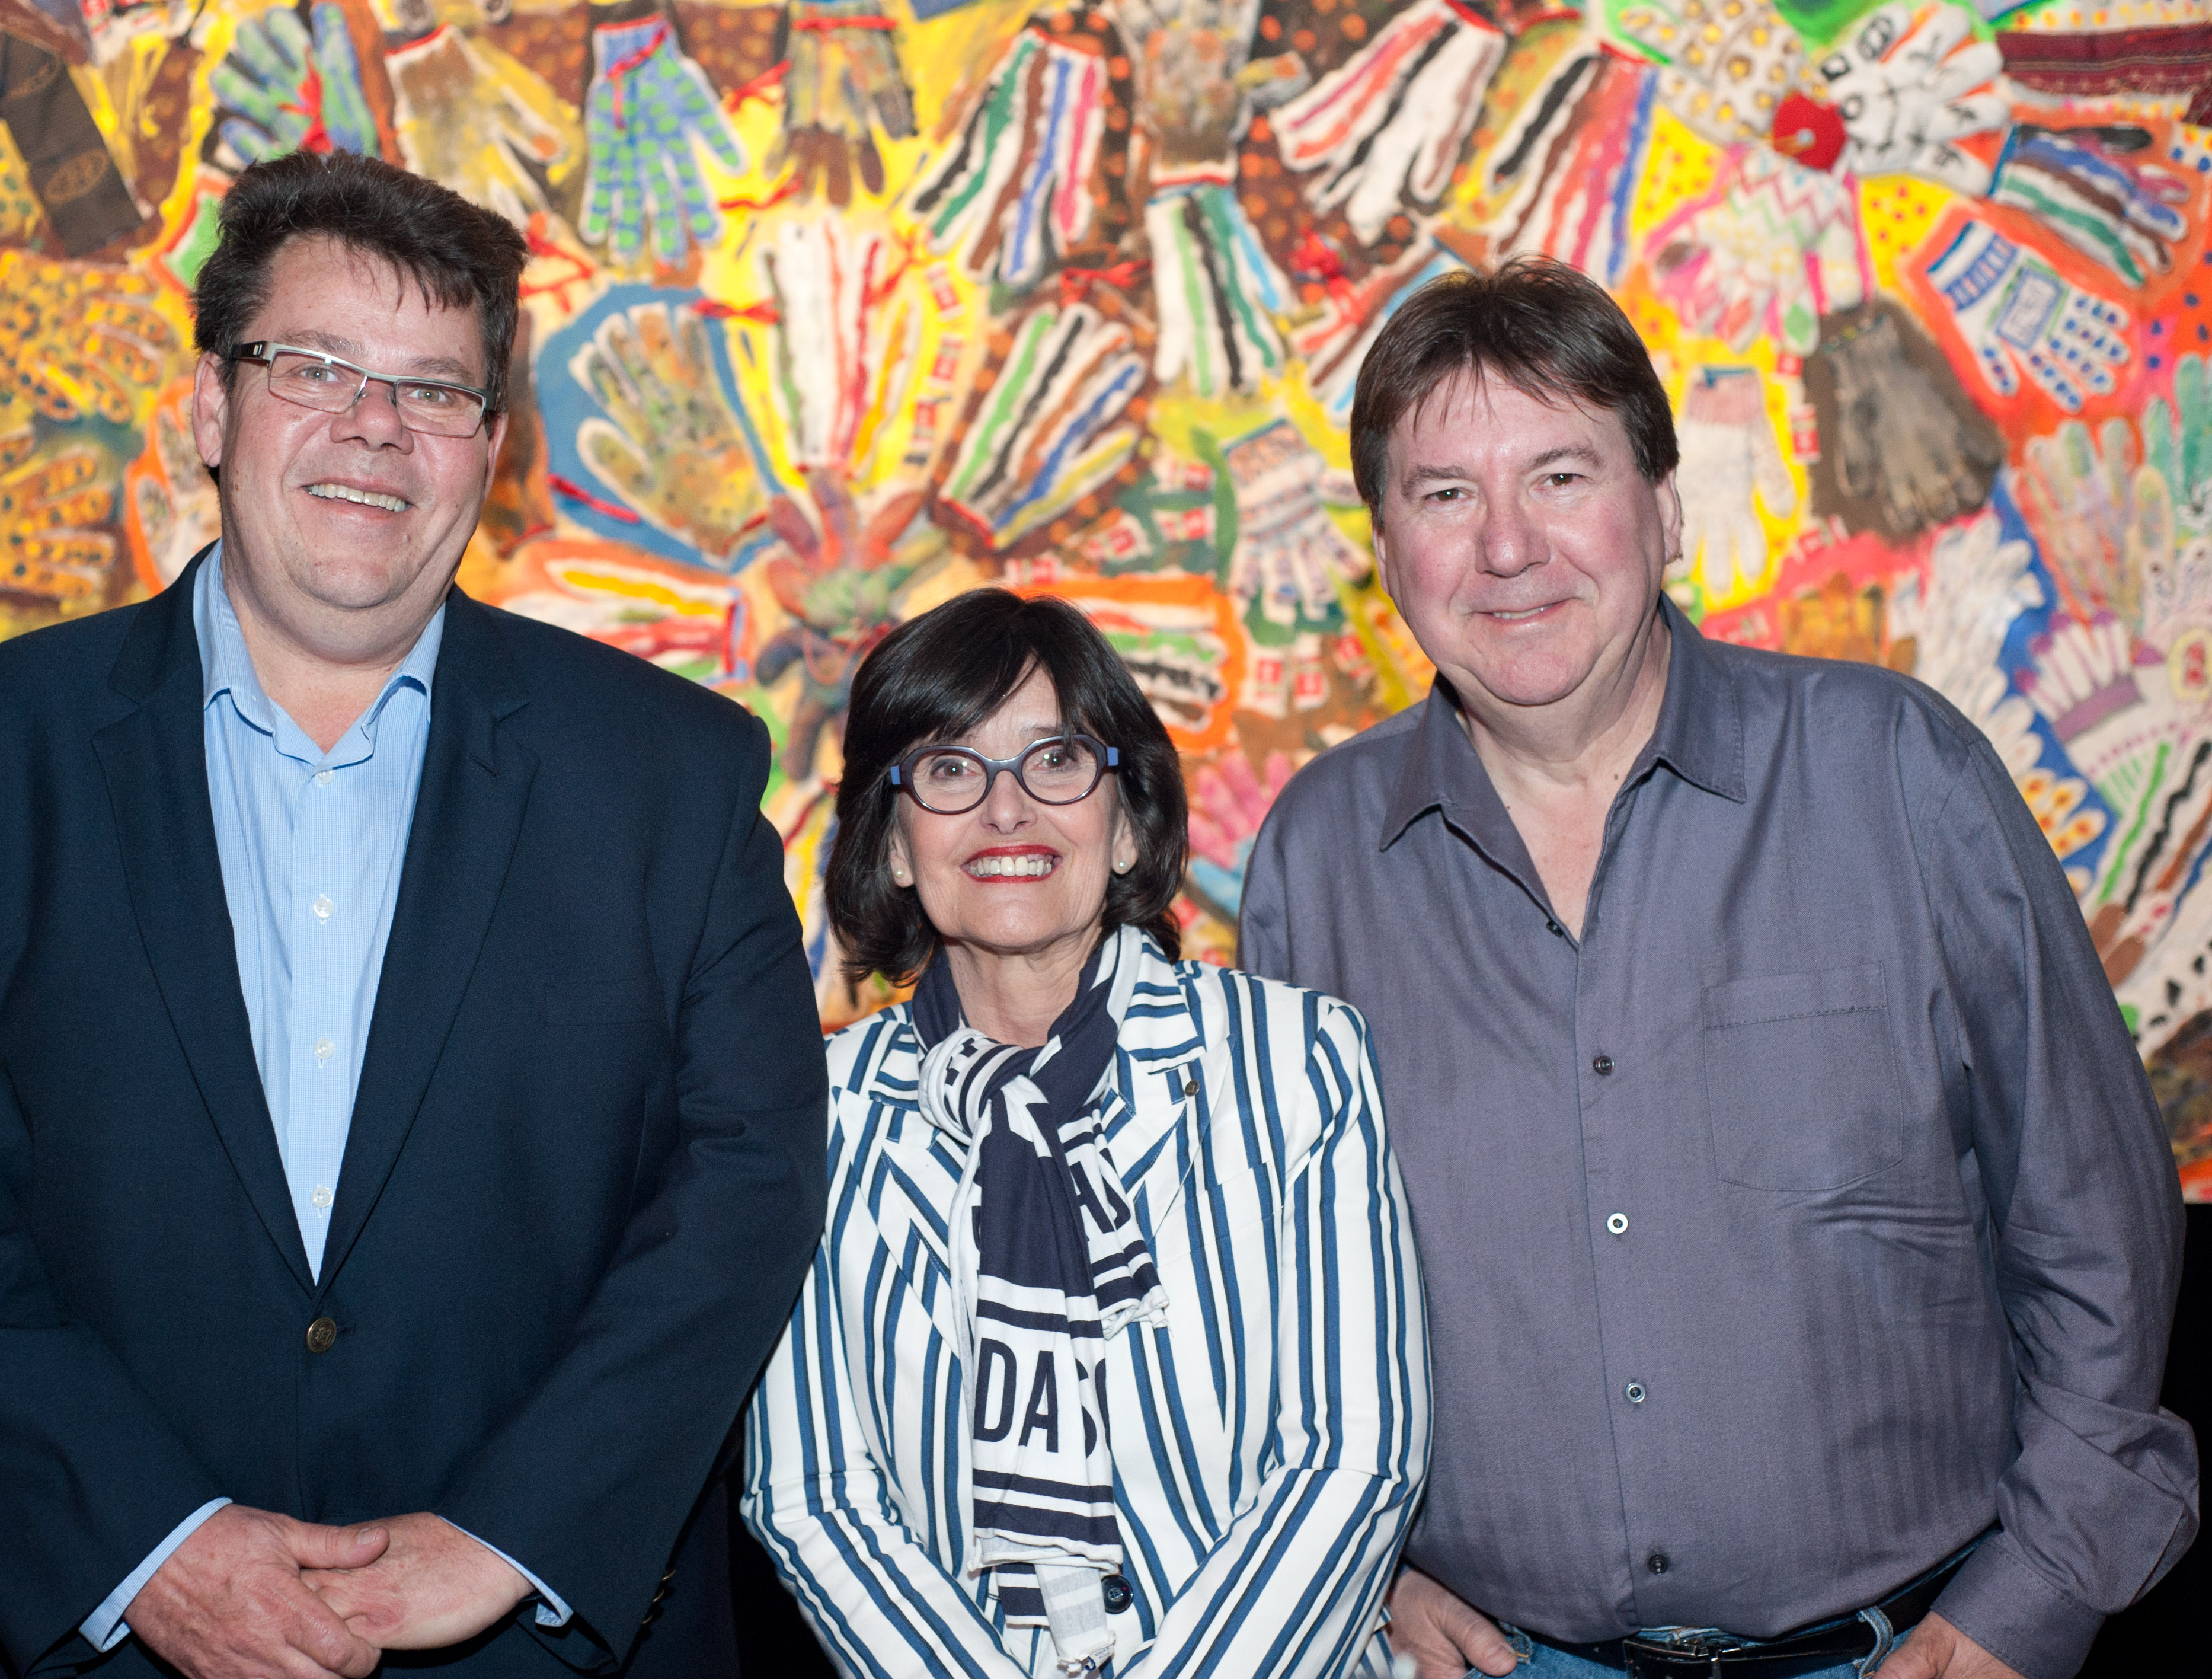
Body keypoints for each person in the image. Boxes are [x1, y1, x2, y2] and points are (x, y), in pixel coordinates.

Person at [0, 152, 827, 1679]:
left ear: (489, 450)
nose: (375, 427)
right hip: (99, 1635)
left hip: (532, 1643)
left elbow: (745, 1180)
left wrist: (510, 1536)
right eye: (314, 366)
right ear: (212, 410)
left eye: (435, 391)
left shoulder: (673, 775)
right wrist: (147, 1543)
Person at [1240, 257, 2198, 1679]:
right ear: (1385, 544)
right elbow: (1270, 1291)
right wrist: (1358, 1571)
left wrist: (2027, 1602)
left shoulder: (1895, 772)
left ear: (1665, 509)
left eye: (1562, 476)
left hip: (1904, 1654)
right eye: (1446, 496)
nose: (1508, 547)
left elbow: (2093, 1225)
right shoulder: (1316, 857)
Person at [743, 588, 1430, 1678]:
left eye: (1056, 761)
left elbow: (1353, 1460)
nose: (1006, 812)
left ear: (1123, 821)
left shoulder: (1299, 1062)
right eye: (951, 769)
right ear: (898, 843)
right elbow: (814, 1497)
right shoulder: (816, 1112)